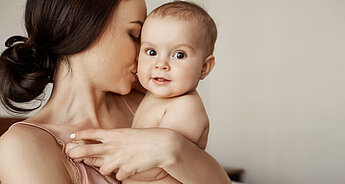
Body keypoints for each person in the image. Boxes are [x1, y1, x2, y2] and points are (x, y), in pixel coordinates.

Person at [0, 0, 231, 184]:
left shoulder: (152, 102)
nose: (145, 55)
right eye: (135, 36)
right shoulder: (23, 146)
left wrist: (173, 148)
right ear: (78, 27)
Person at [124, 1, 217, 183]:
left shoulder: (186, 107)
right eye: (151, 52)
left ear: (204, 68)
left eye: (179, 55)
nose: (161, 64)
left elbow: (154, 167)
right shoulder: (151, 93)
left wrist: (107, 160)